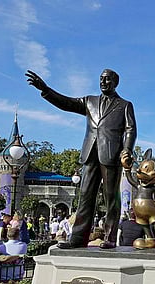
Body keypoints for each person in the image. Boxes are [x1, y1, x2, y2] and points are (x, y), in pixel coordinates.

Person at [26, 68, 137, 249]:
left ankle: (109, 238)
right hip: (90, 153)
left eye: (108, 79)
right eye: (101, 79)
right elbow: (66, 103)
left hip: (111, 155)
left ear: (116, 83)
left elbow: (131, 129)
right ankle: (78, 238)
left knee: (111, 198)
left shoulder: (124, 105)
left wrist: (127, 150)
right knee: (85, 196)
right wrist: (45, 89)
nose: (103, 82)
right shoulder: (89, 101)